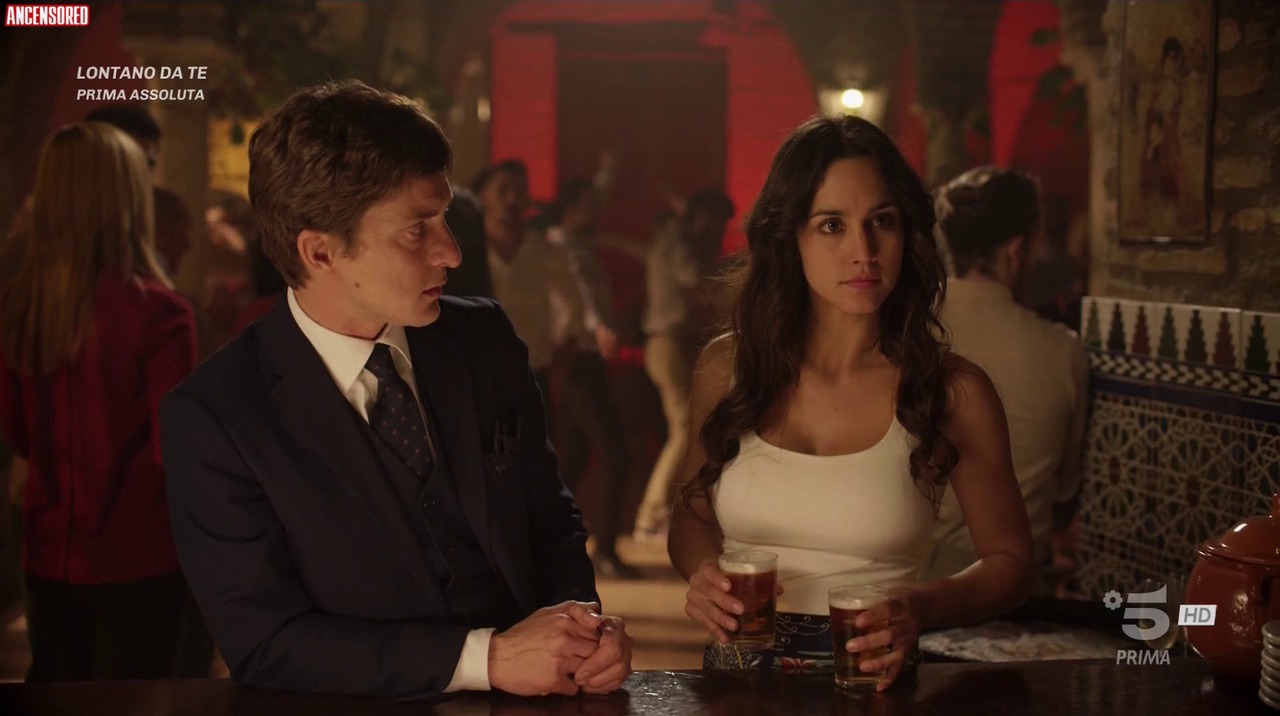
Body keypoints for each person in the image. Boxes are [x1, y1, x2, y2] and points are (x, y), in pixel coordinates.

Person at [160, 80, 632, 699]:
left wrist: (578, 624)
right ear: (320, 252)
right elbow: (266, 644)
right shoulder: (217, 415)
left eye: (445, 218)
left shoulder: (484, 338)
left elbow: (549, 515)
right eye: (417, 230)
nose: (452, 253)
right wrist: (487, 659)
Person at [667, 115, 1033, 690]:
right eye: (832, 225)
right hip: (736, 688)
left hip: (874, 683)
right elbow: (690, 516)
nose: (864, 251)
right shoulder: (728, 368)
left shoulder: (951, 390)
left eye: (881, 221)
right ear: (791, 236)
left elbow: (1010, 563)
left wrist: (921, 606)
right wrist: (703, 576)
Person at [0, 122, 198, 680]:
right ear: (128, 199)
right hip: (141, 552)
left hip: (48, 549)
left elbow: (18, 433)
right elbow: (174, 451)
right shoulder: (160, 312)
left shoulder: (20, 306)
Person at [924, 167, 1089, 593]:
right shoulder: (1062, 351)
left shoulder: (910, 333)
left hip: (914, 588)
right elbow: (1064, 490)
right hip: (1016, 594)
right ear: (1016, 251)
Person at [546, 177, 638, 579]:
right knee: (615, 453)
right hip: (576, 356)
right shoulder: (559, 245)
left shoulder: (578, 243)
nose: (596, 211)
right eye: (588, 204)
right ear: (570, 208)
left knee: (576, 457)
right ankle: (605, 551)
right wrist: (599, 326)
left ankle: (547, 545)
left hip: (586, 358)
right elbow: (578, 293)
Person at [634, 189, 735, 542]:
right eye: (717, 221)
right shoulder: (679, 241)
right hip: (671, 345)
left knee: (689, 429)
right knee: (683, 430)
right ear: (701, 215)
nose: (720, 230)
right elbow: (694, 278)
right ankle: (651, 516)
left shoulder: (679, 238)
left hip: (674, 344)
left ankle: (661, 514)